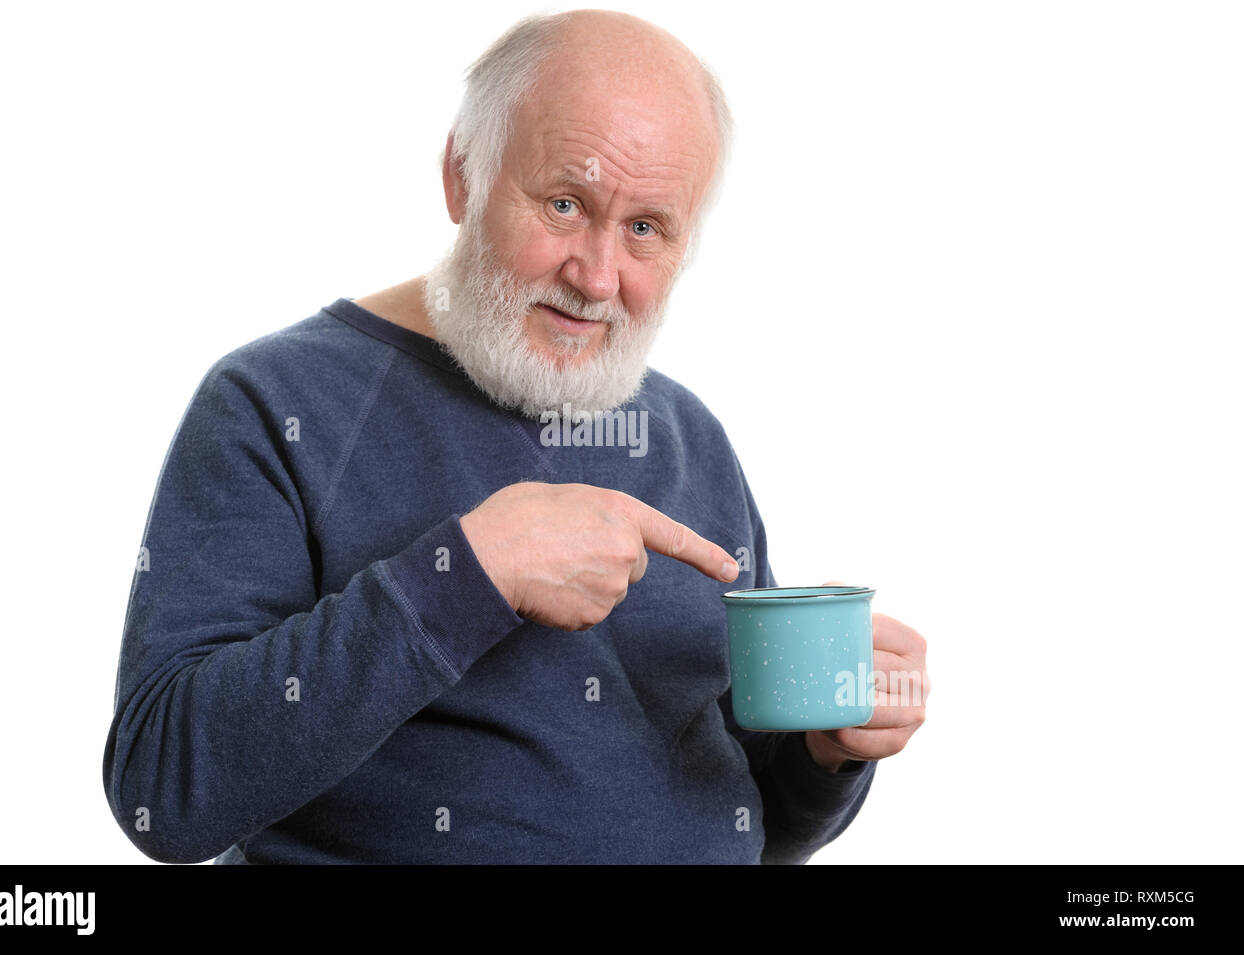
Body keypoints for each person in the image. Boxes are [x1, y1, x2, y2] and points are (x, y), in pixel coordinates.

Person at [102, 8, 928, 865]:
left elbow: (749, 820)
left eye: (646, 227)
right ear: (463, 175)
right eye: (566, 203)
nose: (597, 276)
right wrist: (470, 573)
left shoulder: (689, 436)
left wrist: (828, 748)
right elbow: (161, 792)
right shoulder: (273, 402)